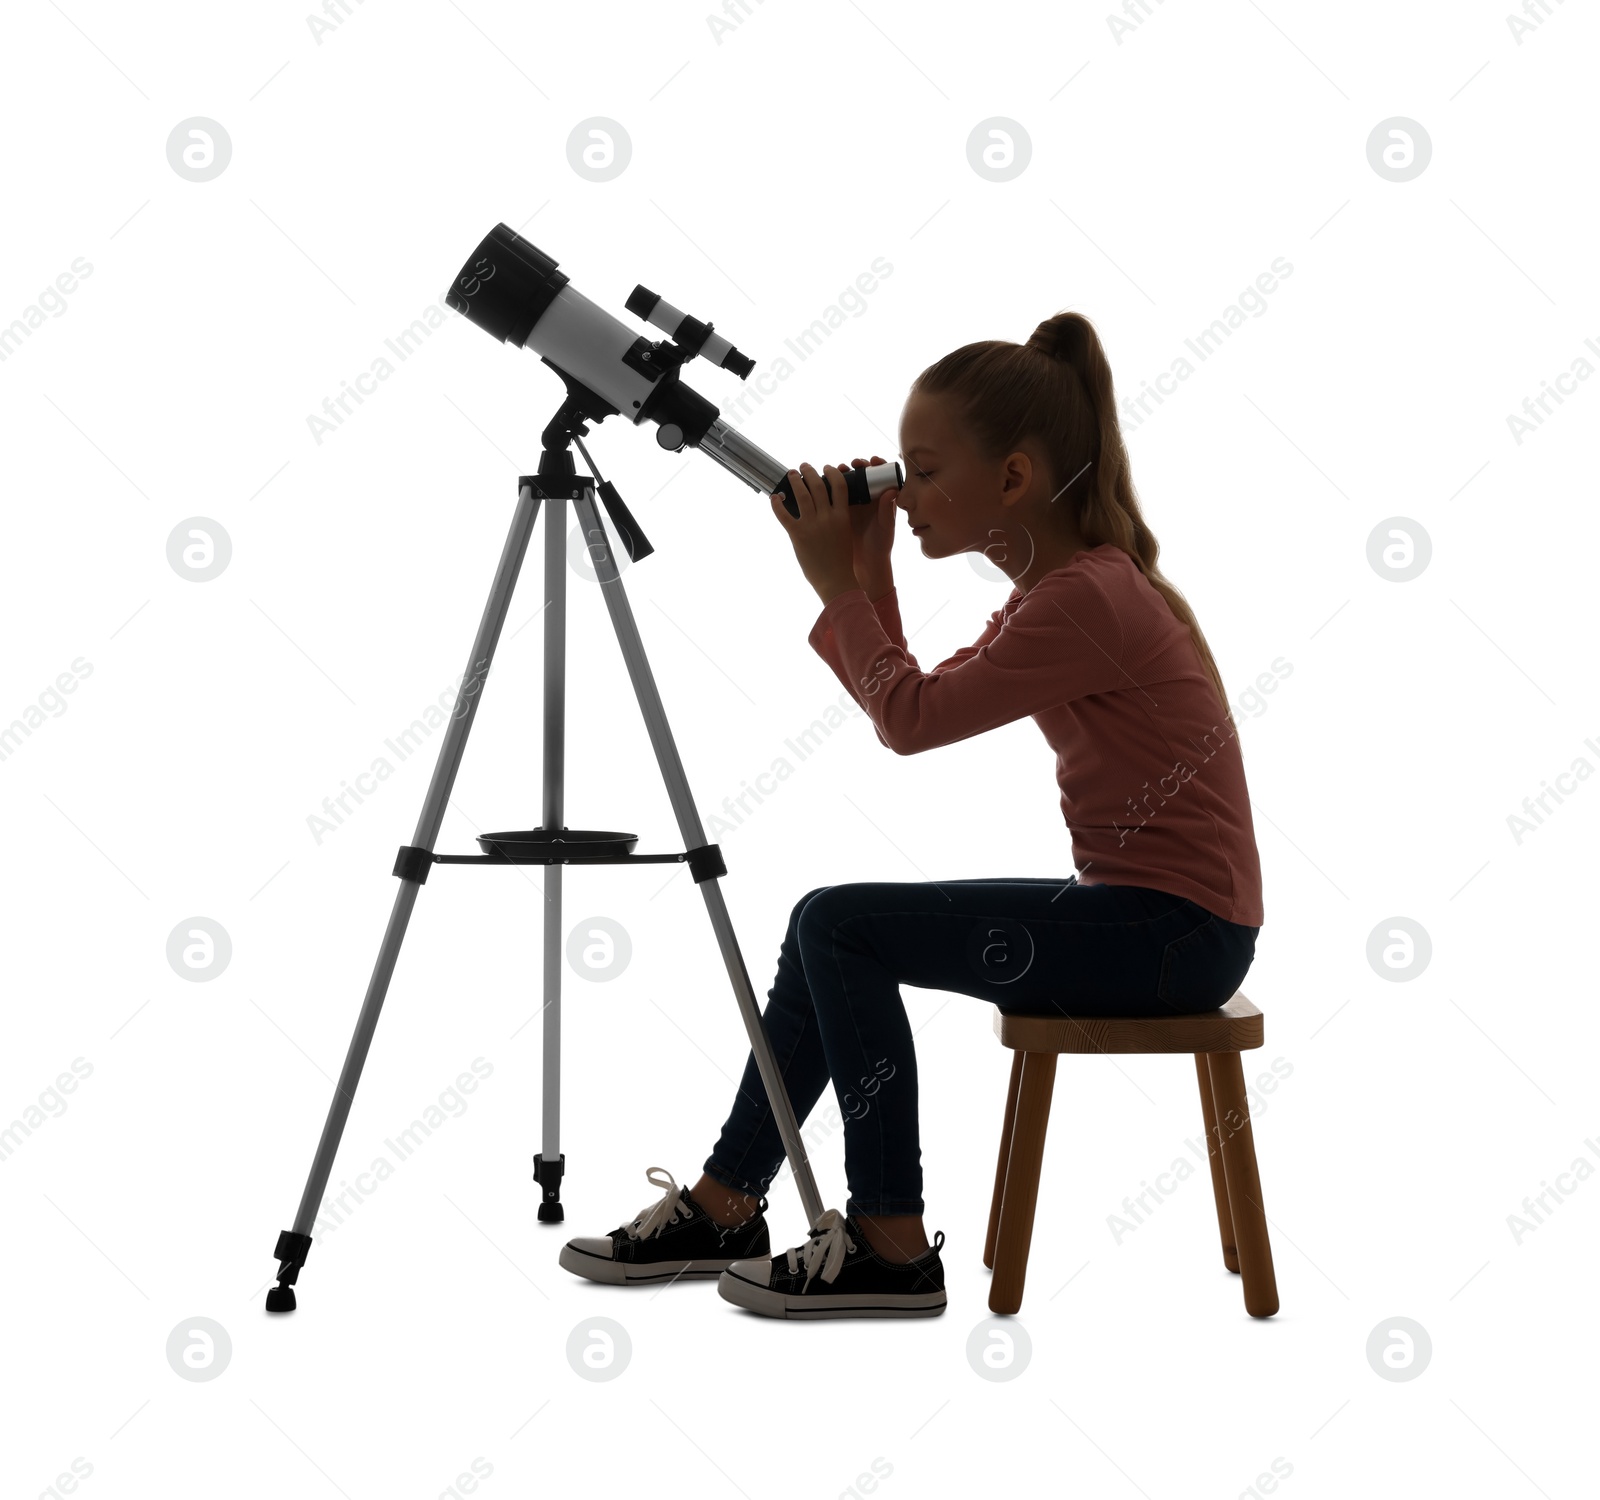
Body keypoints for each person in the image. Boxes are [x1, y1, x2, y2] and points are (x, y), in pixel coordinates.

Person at [559, 310, 1264, 1320]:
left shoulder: (1077, 601)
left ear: (1012, 480)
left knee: (836, 923)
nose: (904, 487)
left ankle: (889, 1241)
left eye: (924, 471)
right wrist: (867, 567)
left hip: (1169, 940)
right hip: (1159, 926)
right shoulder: (1065, 590)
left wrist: (839, 576)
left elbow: (907, 720)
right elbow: (909, 702)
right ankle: (725, 1203)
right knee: (826, 925)